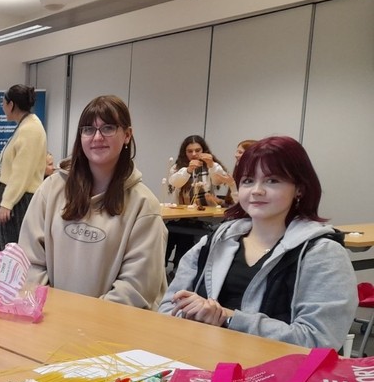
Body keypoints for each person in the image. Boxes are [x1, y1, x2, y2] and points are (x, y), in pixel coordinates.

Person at [159, 136, 357, 349]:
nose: (257, 190)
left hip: (274, 368)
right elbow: (167, 309)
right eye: (248, 180)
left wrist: (229, 319)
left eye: (272, 181)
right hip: (200, 360)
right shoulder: (214, 243)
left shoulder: (322, 254)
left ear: (299, 188)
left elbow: (319, 340)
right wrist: (193, 313)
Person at [18, 95, 167, 309]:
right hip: (50, 319)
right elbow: (30, 261)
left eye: (108, 128)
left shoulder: (144, 205)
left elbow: (136, 288)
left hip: (112, 325)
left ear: (127, 135)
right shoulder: (50, 190)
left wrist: (85, 320)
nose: (97, 137)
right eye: (88, 129)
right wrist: (53, 312)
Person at [0, 84, 48, 250]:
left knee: (12, 251)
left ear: (11, 104)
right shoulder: (24, 126)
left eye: (3, 103)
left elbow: (22, 172)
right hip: (12, 194)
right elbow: (7, 168)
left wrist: (7, 202)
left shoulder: (31, 129)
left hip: (20, 200)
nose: (3, 107)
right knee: (2, 249)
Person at [165, 135, 232, 269]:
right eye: (190, 151)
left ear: (204, 150)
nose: (194, 154)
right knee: (169, 236)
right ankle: (164, 268)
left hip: (202, 217)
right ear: (184, 152)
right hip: (180, 216)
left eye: (198, 150)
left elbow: (219, 180)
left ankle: (178, 268)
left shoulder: (211, 166)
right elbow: (175, 182)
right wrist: (188, 170)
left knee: (185, 240)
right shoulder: (178, 167)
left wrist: (211, 165)